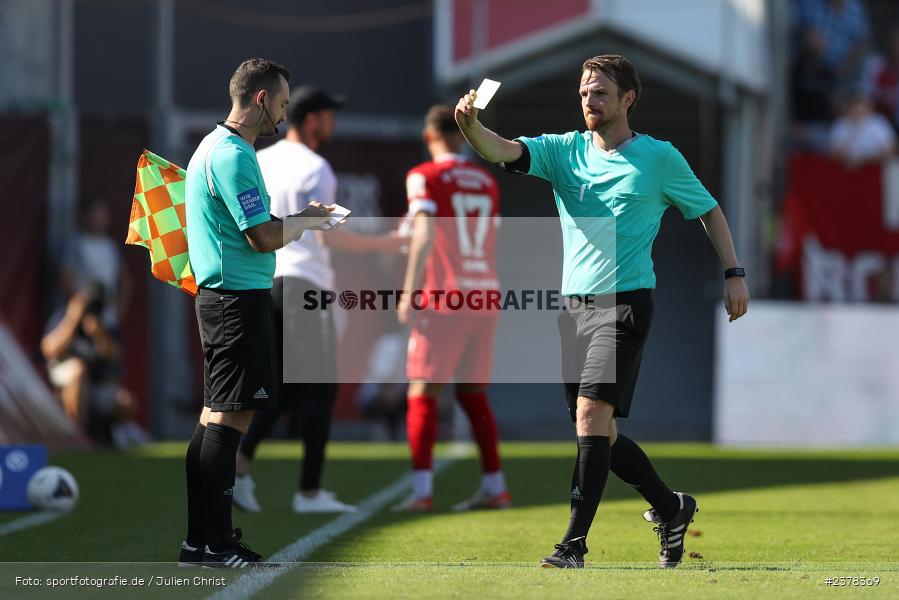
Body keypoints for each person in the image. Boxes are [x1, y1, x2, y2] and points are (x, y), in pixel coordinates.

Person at [454, 54, 749, 568]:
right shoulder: (563, 150)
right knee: (599, 432)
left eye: (600, 92)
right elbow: (501, 148)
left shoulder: (660, 158)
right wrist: (470, 125)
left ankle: (573, 544)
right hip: (574, 309)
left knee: (592, 415)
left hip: (626, 305)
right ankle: (671, 508)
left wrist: (734, 272)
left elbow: (708, 210)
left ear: (627, 99)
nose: (589, 100)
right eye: (585, 92)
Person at [179, 58, 337, 568]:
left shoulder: (216, 146)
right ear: (262, 98)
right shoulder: (233, 154)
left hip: (225, 296)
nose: (285, 117)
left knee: (214, 416)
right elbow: (262, 237)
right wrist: (307, 221)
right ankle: (217, 544)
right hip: (235, 300)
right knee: (231, 416)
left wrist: (296, 220)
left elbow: (252, 226)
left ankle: (199, 543)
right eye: (283, 104)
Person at [233, 86, 406, 515]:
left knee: (284, 388)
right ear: (312, 120)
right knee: (320, 389)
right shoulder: (316, 166)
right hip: (305, 284)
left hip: (265, 282)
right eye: (330, 116)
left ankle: (239, 464)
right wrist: (389, 243)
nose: (333, 125)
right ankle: (308, 492)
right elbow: (330, 238)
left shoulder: (260, 159)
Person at [391, 105, 510, 513]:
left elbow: (424, 235)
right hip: (485, 293)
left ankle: (421, 493)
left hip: (445, 297)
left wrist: (409, 293)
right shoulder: (486, 181)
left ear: (429, 136)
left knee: (422, 390)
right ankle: (495, 486)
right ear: (462, 136)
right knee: (473, 393)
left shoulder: (423, 176)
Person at [41, 282, 148, 447]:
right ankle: (76, 435)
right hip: (64, 382)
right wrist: (73, 319)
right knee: (78, 368)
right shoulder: (63, 315)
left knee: (126, 403)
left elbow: (115, 354)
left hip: (96, 385)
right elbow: (49, 350)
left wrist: (99, 332)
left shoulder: (106, 320)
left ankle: (111, 434)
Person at [61, 199, 132, 330]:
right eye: (96, 213)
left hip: (107, 319)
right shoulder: (76, 244)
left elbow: (125, 280)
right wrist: (79, 310)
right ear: (86, 216)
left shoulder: (111, 246)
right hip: (81, 320)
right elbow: (65, 278)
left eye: (103, 214)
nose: (100, 218)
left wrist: (118, 310)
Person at [829, 90, 897, 167]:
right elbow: (834, 155)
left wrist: (864, 160)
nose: (857, 112)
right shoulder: (840, 125)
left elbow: (891, 151)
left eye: (861, 108)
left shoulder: (879, 123)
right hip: (845, 169)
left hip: (875, 168)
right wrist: (851, 133)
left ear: (869, 108)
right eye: (854, 108)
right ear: (848, 108)